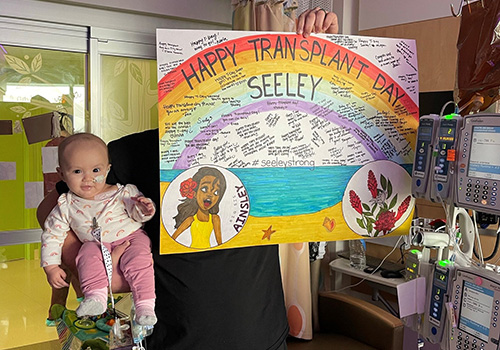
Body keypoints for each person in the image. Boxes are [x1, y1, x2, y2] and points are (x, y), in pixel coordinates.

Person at [37, 9, 339, 349]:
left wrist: (323, 48)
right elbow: (51, 208)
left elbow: (324, 135)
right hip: (177, 339)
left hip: (264, 337)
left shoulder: (265, 150)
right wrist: (97, 262)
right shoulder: (134, 150)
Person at [40, 133, 157, 326]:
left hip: (131, 239)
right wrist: (51, 266)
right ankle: (95, 297)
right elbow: (52, 235)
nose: (88, 179)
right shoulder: (65, 205)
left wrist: (144, 209)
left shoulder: (123, 192)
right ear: (61, 174)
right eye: (77, 172)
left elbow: (138, 215)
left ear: (108, 169)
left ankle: (145, 305)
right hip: (96, 244)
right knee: (85, 255)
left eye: (96, 170)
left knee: (139, 261)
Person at [172, 167, 227, 248]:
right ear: (194, 193)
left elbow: (220, 244)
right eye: (204, 189)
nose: (210, 195)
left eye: (216, 192)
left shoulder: (215, 219)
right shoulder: (190, 219)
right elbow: (172, 238)